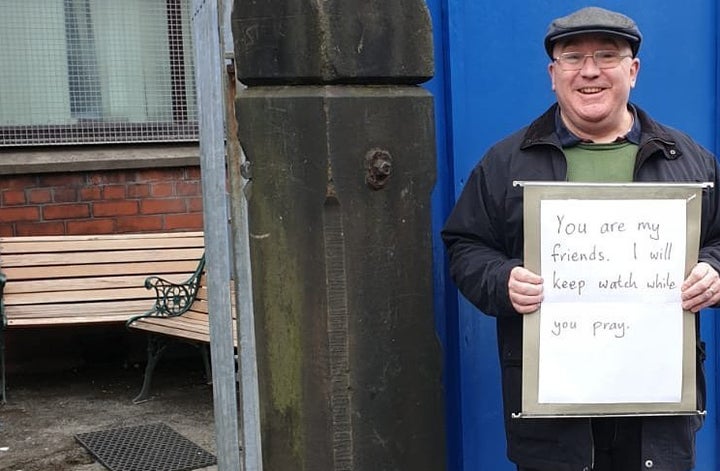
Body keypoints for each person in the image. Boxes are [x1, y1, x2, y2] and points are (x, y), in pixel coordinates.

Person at [441, 6, 720, 471]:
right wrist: (501, 279)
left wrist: (715, 269)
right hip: (554, 418)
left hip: (655, 411)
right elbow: (465, 246)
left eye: (607, 56)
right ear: (553, 74)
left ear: (633, 70)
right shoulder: (507, 163)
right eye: (573, 58)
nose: (589, 71)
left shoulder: (689, 160)